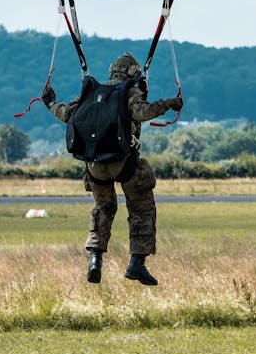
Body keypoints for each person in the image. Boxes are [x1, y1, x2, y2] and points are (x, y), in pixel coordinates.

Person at [42, 52, 182, 286]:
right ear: (131, 73)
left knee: (103, 208)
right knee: (141, 207)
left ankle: (95, 259)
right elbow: (142, 113)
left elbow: (66, 114)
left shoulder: (92, 91)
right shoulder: (129, 92)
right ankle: (137, 263)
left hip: (95, 166)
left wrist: (49, 103)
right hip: (122, 162)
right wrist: (170, 103)